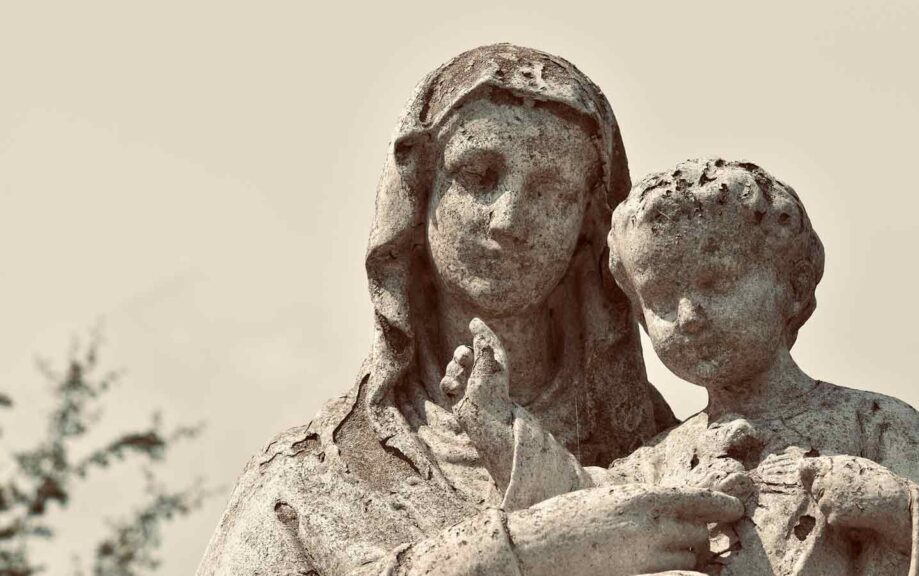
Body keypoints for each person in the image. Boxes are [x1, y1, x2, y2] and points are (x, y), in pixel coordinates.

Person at [197, 46, 743, 576]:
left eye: (552, 191)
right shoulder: (309, 485)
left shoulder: (676, 458)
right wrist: (530, 550)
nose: (509, 219)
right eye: (479, 176)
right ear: (421, 196)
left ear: (588, 227)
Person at [444, 158, 919, 575]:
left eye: (717, 282)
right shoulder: (660, 461)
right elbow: (583, 516)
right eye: (660, 297)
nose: (687, 316)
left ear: (793, 285)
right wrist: (499, 427)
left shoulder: (873, 424)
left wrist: (894, 506)